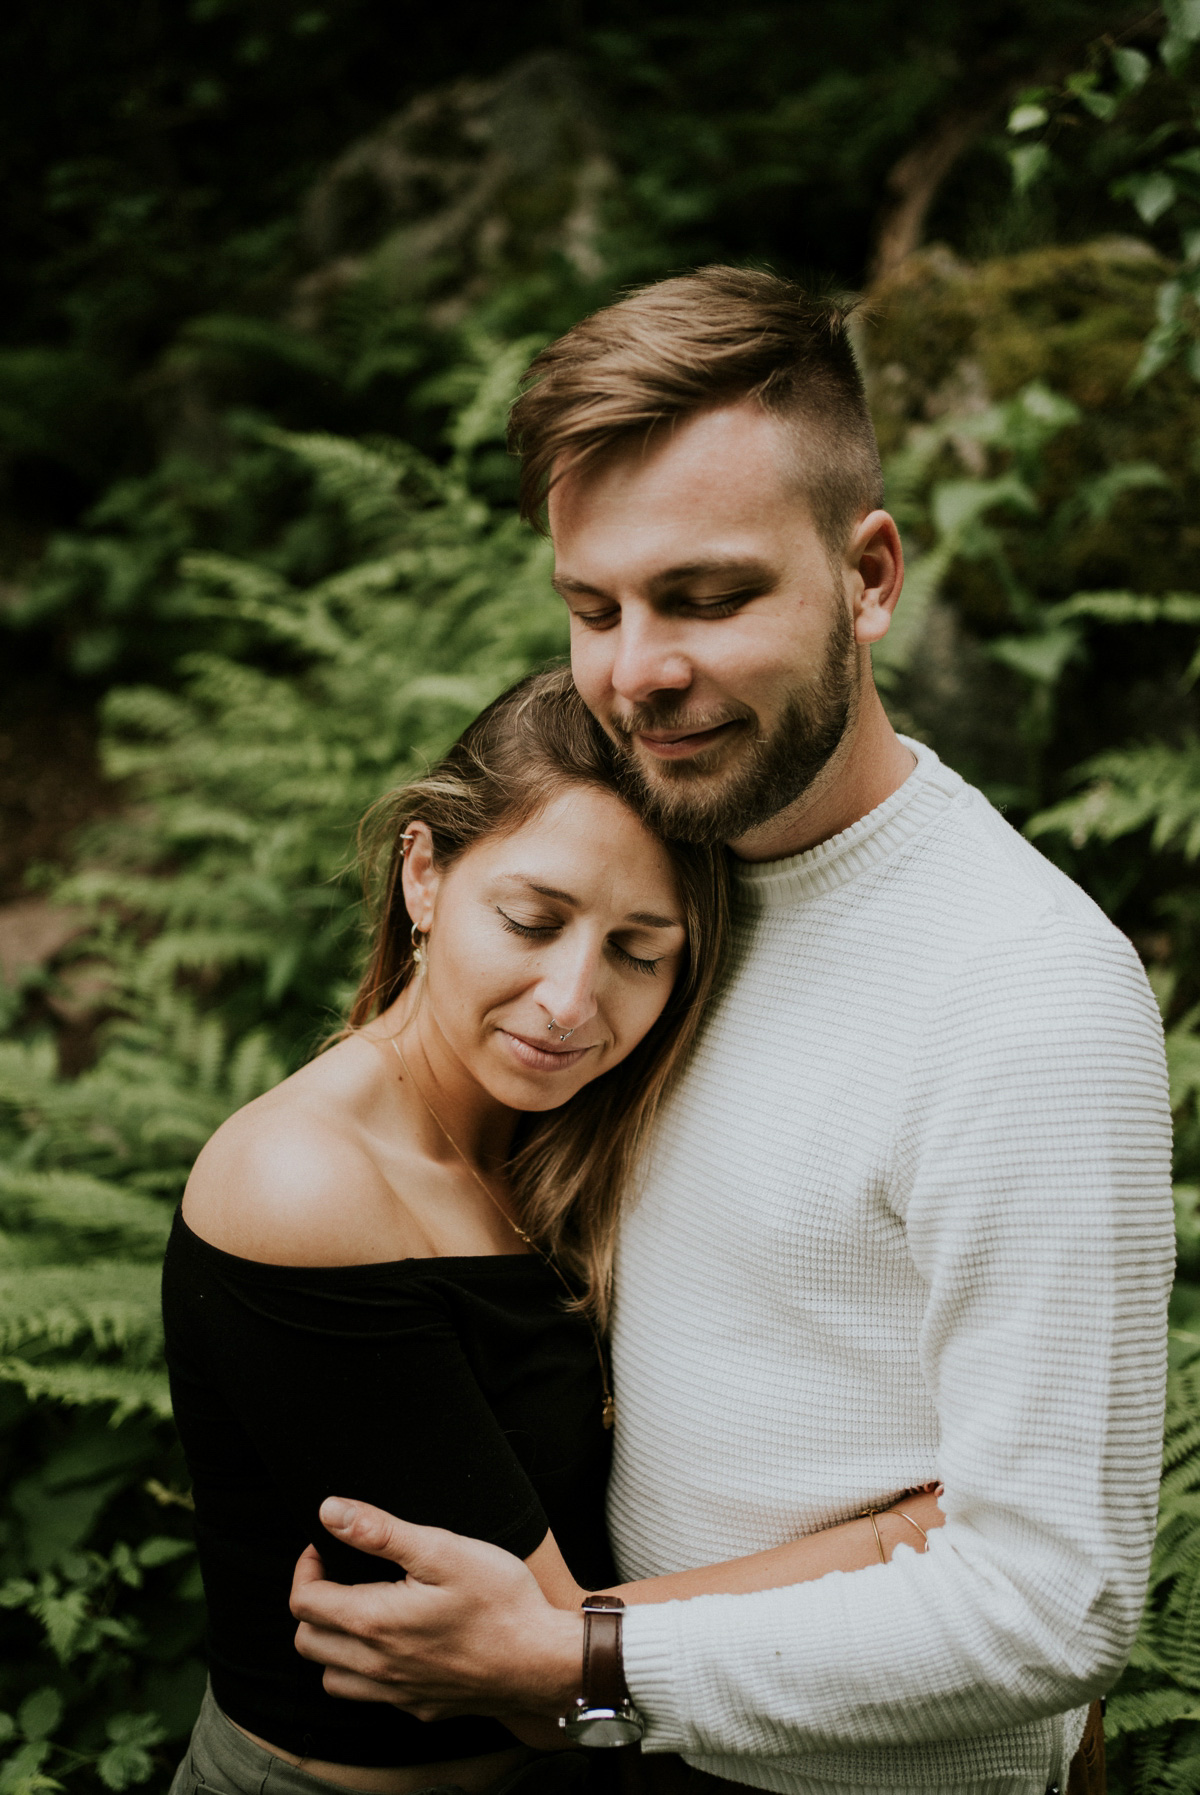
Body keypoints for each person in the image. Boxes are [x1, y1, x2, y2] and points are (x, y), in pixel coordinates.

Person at [288, 268, 1176, 1795]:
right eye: (594, 607)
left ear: (870, 575)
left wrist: (582, 1658)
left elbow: (1055, 1598)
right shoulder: (658, 897)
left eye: (707, 597)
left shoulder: (1022, 994)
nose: (639, 672)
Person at [163, 665, 946, 1795]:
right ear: (424, 873)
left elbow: (577, 1651)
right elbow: (555, 1684)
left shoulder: (573, 1144)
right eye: (532, 920)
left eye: (639, 952)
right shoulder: (308, 1184)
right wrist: (908, 1542)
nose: (572, 1000)